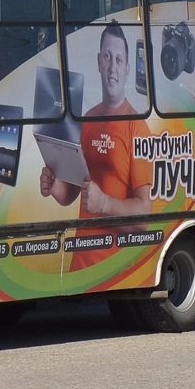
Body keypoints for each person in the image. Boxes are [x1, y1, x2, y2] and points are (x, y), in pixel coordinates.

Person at [38, 23, 153, 271]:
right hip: (80, 265)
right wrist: (53, 186)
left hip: (117, 269)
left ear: (127, 70)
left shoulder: (137, 126)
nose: (113, 67)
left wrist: (104, 204)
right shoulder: (87, 120)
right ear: (99, 62)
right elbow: (71, 193)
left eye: (119, 60)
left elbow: (144, 216)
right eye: (108, 57)